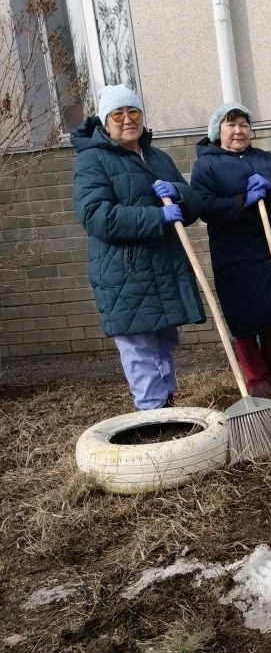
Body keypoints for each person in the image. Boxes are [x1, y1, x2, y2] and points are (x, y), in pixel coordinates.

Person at [72, 84, 206, 410]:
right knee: (139, 344)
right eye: (118, 114)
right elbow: (96, 216)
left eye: (133, 112)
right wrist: (156, 216)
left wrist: (177, 191)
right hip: (127, 271)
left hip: (164, 266)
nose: (127, 119)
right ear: (105, 122)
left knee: (164, 340)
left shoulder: (158, 157)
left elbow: (192, 205)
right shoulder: (92, 161)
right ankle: (152, 411)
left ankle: (166, 401)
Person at [190, 102, 271, 398]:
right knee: (245, 318)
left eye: (243, 125)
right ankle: (256, 378)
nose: (238, 131)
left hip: (270, 252)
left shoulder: (264, 159)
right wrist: (243, 201)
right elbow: (205, 207)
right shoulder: (206, 164)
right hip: (234, 256)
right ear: (218, 131)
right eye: (231, 125)